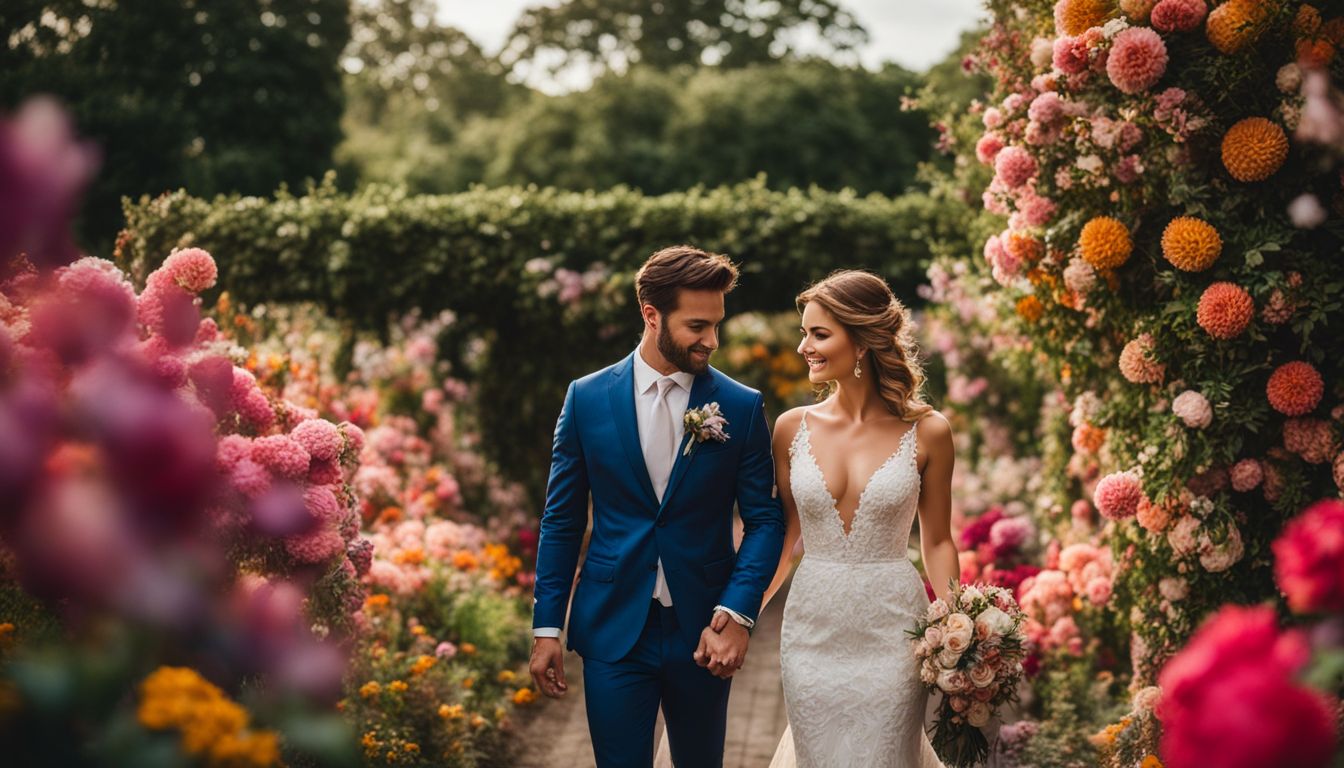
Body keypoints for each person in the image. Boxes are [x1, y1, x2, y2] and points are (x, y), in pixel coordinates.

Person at [529, 245, 786, 768]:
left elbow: (764, 520)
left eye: (717, 325)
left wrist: (737, 612)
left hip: (703, 630)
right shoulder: (586, 398)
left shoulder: (740, 405)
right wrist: (547, 628)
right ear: (651, 315)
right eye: (697, 325)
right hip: (613, 629)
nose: (711, 340)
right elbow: (561, 520)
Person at [764, 269, 959, 767]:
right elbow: (783, 540)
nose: (805, 346)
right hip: (811, 628)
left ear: (864, 341)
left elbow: (937, 541)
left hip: (893, 628)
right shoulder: (790, 429)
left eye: (819, 334)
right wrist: (736, 616)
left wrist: (962, 625)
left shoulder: (930, 431)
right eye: (804, 332)